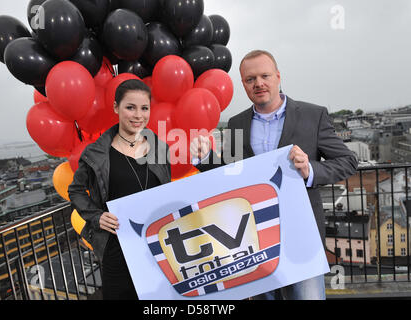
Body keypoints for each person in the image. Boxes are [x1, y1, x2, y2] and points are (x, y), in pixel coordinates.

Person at [190, 50, 358, 300]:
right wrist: (204, 158)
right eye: (250, 79)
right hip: (255, 239)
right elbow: (230, 173)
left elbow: (348, 161)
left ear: (278, 76)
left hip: (302, 235)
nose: (258, 83)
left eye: (264, 76)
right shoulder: (237, 123)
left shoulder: (314, 115)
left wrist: (310, 170)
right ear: (244, 84)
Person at [68, 79, 171, 300]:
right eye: (130, 107)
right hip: (116, 248)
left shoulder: (160, 148)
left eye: (144, 108)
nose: (138, 115)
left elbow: (167, 191)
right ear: (116, 108)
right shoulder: (96, 153)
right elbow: (75, 190)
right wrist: (96, 217)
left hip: (156, 245)